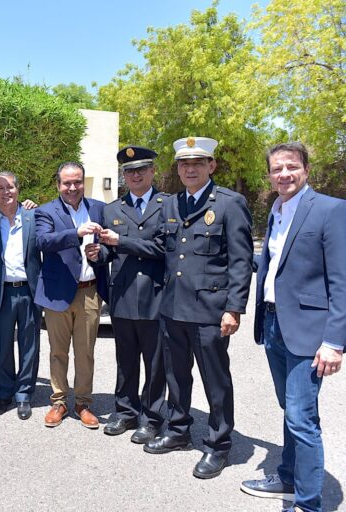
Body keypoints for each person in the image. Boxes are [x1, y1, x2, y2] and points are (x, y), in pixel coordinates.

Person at [240, 142, 346, 512]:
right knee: (290, 408)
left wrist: (334, 341)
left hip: (309, 332)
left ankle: (308, 503)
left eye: (291, 167)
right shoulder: (277, 209)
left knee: (302, 417)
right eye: (277, 169)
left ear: (306, 169)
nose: (284, 174)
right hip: (273, 323)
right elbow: (275, 263)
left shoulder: (331, 210)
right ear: (269, 175)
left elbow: (341, 280)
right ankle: (287, 476)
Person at [144, 137, 253, 480]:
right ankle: (178, 430)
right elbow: (161, 247)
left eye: (197, 163)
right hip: (173, 308)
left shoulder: (230, 203)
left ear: (211, 166)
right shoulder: (172, 204)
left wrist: (234, 308)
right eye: (183, 164)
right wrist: (118, 242)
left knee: (215, 381)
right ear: (178, 168)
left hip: (209, 310)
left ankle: (219, 444)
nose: (190, 169)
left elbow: (240, 260)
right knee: (176, 377)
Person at [98, 146, 167, 443]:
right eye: (129, 171)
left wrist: (122, 241)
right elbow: (106, 251)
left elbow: (165, 249)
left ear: (152, 171)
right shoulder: (111, 209)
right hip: (123, 295)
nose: (135, 175)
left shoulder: (169, 205)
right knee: (125, 360)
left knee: (155, 363)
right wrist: (97, 253)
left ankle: (151, 418)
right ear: (123, 176)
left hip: (155, 295)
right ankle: (125, 412)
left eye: (141, 169)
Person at [34, 162, 109, 429]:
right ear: (58, 184)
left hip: (89, 291)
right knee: (58, 352)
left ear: (83, 182)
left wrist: (102, 254)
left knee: (85, 352)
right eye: (67, 183)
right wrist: (75, 234)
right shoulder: (46, 211)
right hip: (57, 293)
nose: (72, 187)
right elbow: (43, 241)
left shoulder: (99, 208)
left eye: (77, 182)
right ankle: (59, 401)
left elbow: (110, 244)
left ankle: (83, 403)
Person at [0, 172, 42, 420]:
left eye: (10, 187)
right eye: (0, 188)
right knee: (1, 345)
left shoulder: (35, 216)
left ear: (18, 189)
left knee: (29, 345)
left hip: (29, 292)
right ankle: (4, 391)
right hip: (0, 293)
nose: (6, 192)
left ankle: (24, 394)